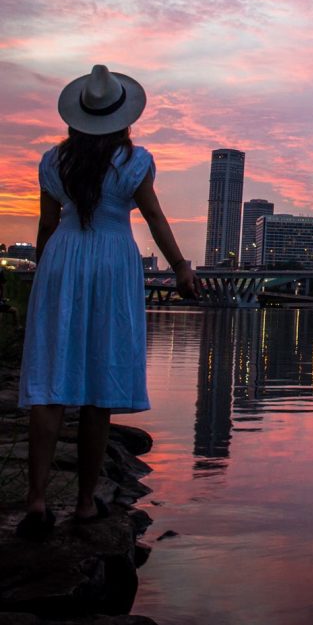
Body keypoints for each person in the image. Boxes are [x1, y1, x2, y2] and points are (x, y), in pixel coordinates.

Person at [15, 65, 198, 541]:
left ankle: (35, 501)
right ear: (123, 118)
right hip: (114, 261)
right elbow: (154, 217)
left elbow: (47, 225)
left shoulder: (53, 162)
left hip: (63, 259)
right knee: (100, 384)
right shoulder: (135, 161)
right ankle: (84, 503)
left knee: (50, 380)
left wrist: (44, 272)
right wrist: (179, 266)